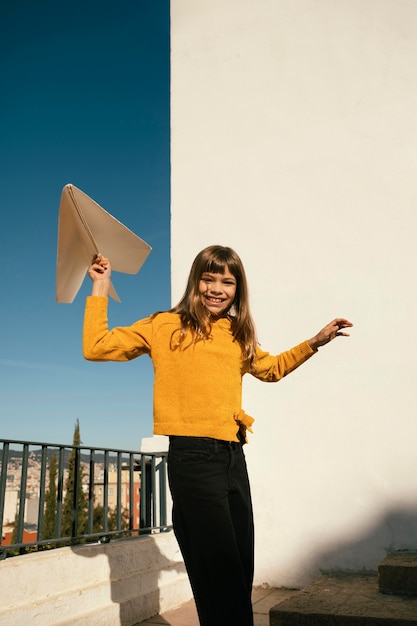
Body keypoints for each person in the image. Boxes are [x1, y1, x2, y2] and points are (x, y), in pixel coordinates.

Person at [83, 245, 352, 626]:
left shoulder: (237, 334)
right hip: (192, 459)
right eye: (209, 278)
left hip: (232, 458)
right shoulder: (163, 325)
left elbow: (272, 369)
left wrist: (314, 342)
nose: (216, 289)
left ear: (237, 289)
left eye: (227, 281)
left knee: (240, 569)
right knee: (220, 573)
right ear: (196, 281)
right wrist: (100, 286)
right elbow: (96, 347)